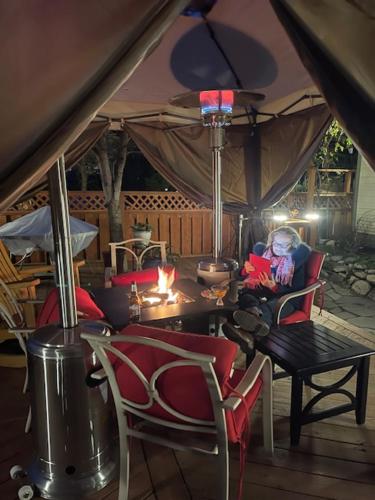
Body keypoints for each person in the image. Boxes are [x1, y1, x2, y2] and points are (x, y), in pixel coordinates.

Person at [224, 226, 311, 340]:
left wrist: (274, 287)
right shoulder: (265, 255)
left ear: (293, 247)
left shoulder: (294, 264)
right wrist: (246, 270)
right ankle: (252, 315)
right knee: (247, 296)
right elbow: (237, 274)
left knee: (268, 308)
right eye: (276, 244)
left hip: (286, 299)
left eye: (285, 245)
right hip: (264, 293)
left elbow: (297, 288)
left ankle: (253, 332)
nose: (279, 248)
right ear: (271, 243)